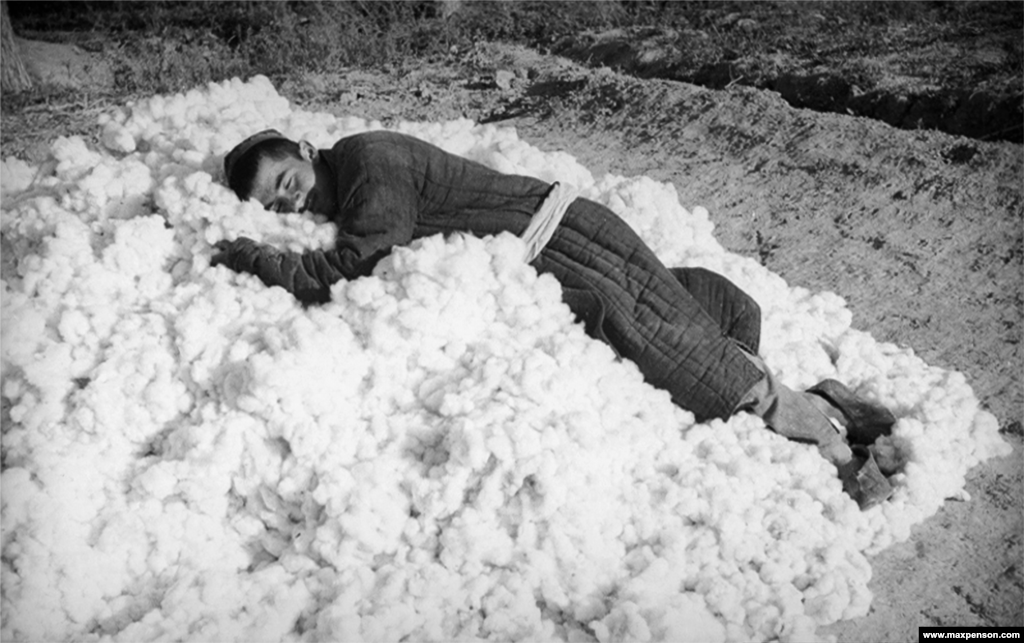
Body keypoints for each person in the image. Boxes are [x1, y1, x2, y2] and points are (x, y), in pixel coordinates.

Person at [213, 128, 897, 508]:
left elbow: (354, 266)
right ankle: (829, 401)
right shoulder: (356, 177)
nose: (290, 204)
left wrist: (255, 257)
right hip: (567, 239)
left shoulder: (367, 166)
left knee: (691, 364)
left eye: (285, 183)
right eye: (274, 207)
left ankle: (834, 445)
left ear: (305, 150)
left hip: (567, 244)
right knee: (680, 329)